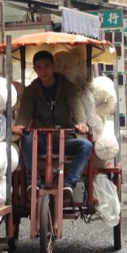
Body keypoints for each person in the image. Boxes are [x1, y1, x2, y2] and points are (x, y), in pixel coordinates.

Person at [11, 50, 92, 203]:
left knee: (86, 146)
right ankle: (32, 182)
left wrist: (81, 123)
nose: (43, 71)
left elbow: (76, 106)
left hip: (65, 140)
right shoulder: (31, 91)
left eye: (47, 66)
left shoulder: (67, 87)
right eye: (39, 67)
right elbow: (25, 113)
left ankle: (69, 184)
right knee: (27, 139)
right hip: (41, 140)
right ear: (34, 69)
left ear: (53, 67)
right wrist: (19, 126)